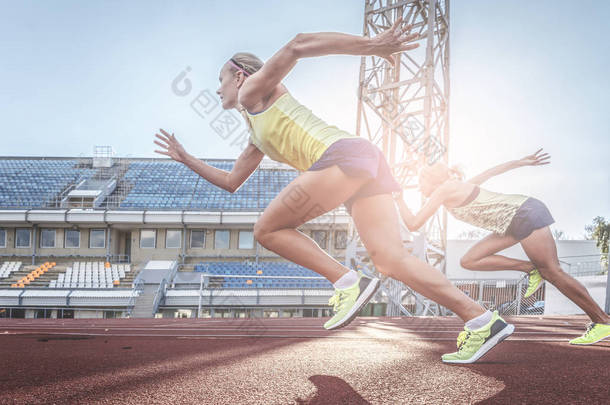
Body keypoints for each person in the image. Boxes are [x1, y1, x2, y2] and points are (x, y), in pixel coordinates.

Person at [154, 18, 513, 363]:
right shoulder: (255, 131)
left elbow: (298, 44)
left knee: (267, 229)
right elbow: (232, 182)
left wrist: (372, 46)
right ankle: (482, 319)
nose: (217, 89)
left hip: (343, 156)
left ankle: (346, 281)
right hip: (363, 160)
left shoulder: (252, 91)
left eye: (220, 80)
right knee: (390, 259)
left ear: (239, 75)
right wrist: (186, 158)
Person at [394, 149, 610, 345]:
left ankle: (602, 321)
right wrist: (520, 161)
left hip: (523, 213)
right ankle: (530, 268)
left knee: (552, 272)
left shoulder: (444, 189)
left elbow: (414, 223)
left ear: (430, 180)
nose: (419, 188)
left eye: (420, 182)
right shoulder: (456, 187)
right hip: (510, 223)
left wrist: (400, 198)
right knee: (469, 260)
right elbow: (491, 172)